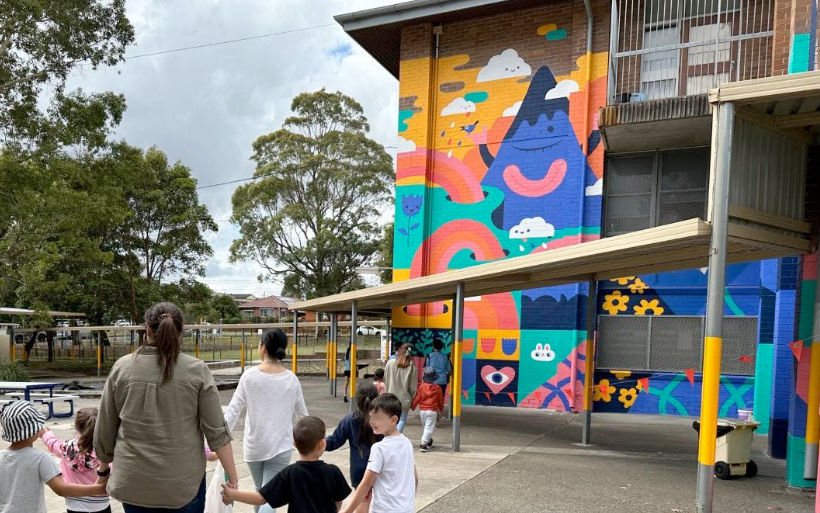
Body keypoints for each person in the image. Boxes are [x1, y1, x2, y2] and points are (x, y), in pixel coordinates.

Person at [95, 302, 239, 512]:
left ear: (146, 328)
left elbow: (105, 429)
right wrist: (233, 480)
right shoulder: (197, 371)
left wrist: (103, 469)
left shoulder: (122, 368)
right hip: (183, 485)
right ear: (180, 332)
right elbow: (217, 433)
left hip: (134, 483)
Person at [224, 328, 308, 513]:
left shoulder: (249, 376)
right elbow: (303, 416)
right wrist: (309, 441)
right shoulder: (291, 379)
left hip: (254, 446)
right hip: (281, 445)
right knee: (268, 496)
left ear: (262, 347)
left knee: (261, 492)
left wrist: (218, 438)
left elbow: (233, 410)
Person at [221, 416, 350, 513]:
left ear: (294, 444)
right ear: (322, 444)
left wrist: (232, 494)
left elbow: (261, 498)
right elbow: (338, 502)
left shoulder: (289, 473)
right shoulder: (333, 472)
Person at [1, 401, 108, 513]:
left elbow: (53, 443)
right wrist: (98, 488)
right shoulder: (40, 459)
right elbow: (61, 489)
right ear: (34, 431)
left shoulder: (1, 457)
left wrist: (47, 435)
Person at [340, 394, 417, 513]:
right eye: (371, 417)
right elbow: (414, 477)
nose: (372, 422)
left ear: (394, 420)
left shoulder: (379, 448)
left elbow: (366, 484)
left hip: (385, 509)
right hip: (406, 508)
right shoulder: (406, 442)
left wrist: (347, 511)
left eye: (378, 418)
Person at [325, 381, 382, 513]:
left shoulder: (350, 419)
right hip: (380, 467)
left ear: (357, 399)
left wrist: (319, 444)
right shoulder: (382, 418)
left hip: (359, 468)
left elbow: (335, 441)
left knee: (363, 501)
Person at [42, 407, 111, 513]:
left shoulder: (65, 448)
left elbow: (53, 443)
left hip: (74, 505)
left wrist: (46, 434)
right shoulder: (106, 452)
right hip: (101, 505)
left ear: (76, 427)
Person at [383, 343, 418, 432]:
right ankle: (395, 438)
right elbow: (413, 387)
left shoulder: (390, 363)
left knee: (390, 420)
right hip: (404, 399)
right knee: (401, 420)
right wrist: (411, 398)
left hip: (390, 397)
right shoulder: (411, 366)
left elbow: (386, 380)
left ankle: (390, 438)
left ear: (398, 353)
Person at [411, 368, 444, 453]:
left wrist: (413, 406)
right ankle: (424, 444)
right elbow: (440, 400)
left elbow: (417, 397)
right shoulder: (438, 388)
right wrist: (441, 409)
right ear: (434, 378)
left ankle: (428, 441)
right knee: (428, 428)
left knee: (426, 427)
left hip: (422, 411)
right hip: (432, 410)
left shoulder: (421, 387)